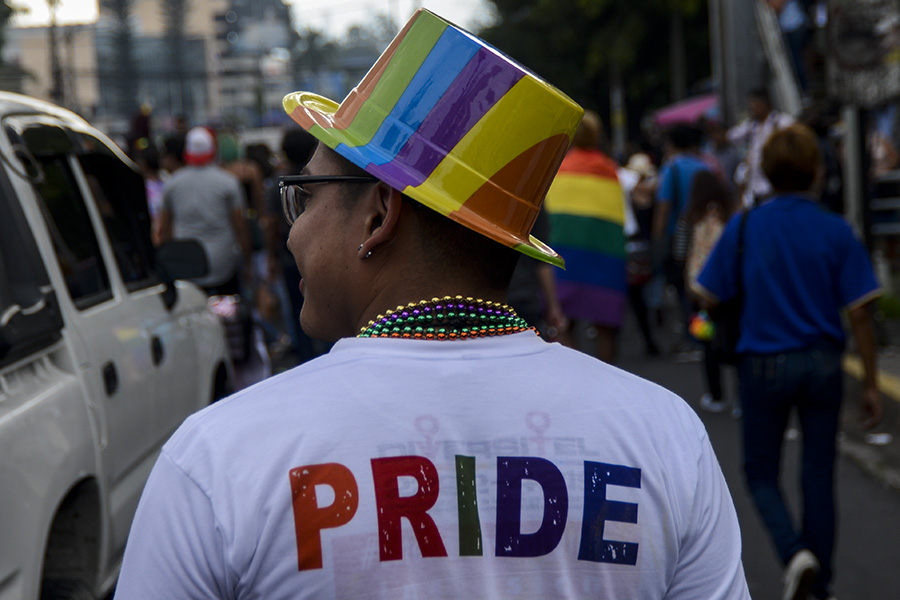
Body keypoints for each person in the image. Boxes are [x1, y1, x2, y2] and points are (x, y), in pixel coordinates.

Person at [115, 9, 749, 599]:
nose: (292, 230)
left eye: (304, 197)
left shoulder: (225, 458)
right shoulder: (664, 438)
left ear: (379, 215)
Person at [694, 124, 882, 600]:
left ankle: (794, 552)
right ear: (818, 173)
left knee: (760, 473)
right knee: (818, 471)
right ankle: (820, 583)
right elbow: (861, 313)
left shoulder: (747, 225)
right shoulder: (835, 229)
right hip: (823, 362)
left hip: (763, 362)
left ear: (766, 174)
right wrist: (872, 384)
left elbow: (708, 292)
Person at [544, 112, 629, 363]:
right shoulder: (609, 170)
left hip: (564, 254)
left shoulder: (557, 168)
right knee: (606, 327)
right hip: (605, 255)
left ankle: (577, 379)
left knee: (563, 322)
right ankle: (604, 379)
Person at [158, 126, 252, 296]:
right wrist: (248, 263)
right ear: (213, 151)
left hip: (186, 266)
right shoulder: (229, 182)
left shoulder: (171, 184)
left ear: (187, 152)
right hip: (223, 263)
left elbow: (164, 230)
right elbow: (240, 228)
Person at [683, 170, 739, 415]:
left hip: (700, 292)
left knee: (706, 343)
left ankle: (716, 395)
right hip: (728, 292)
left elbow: (688, 254)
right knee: (736, 340)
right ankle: (739, 399)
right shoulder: (730, 216)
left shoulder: (695, 217)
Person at [652, 124, 710, 358]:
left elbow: (664, 207)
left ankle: (691, 339)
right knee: (701, 290)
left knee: (682, 291)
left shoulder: (671, 168)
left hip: (679, 239)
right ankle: (704, 335)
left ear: (673, 144)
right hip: (704, 237)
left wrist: (657, 237)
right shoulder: (705, 166)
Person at [728, 88, 795, 208]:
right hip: (754, 185)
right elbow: (731, 136)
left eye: (756, 106)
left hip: (774, 182)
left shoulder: (780, 122)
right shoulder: (751, 126)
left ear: (766, 104)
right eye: (751, 107)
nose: (753, 110)